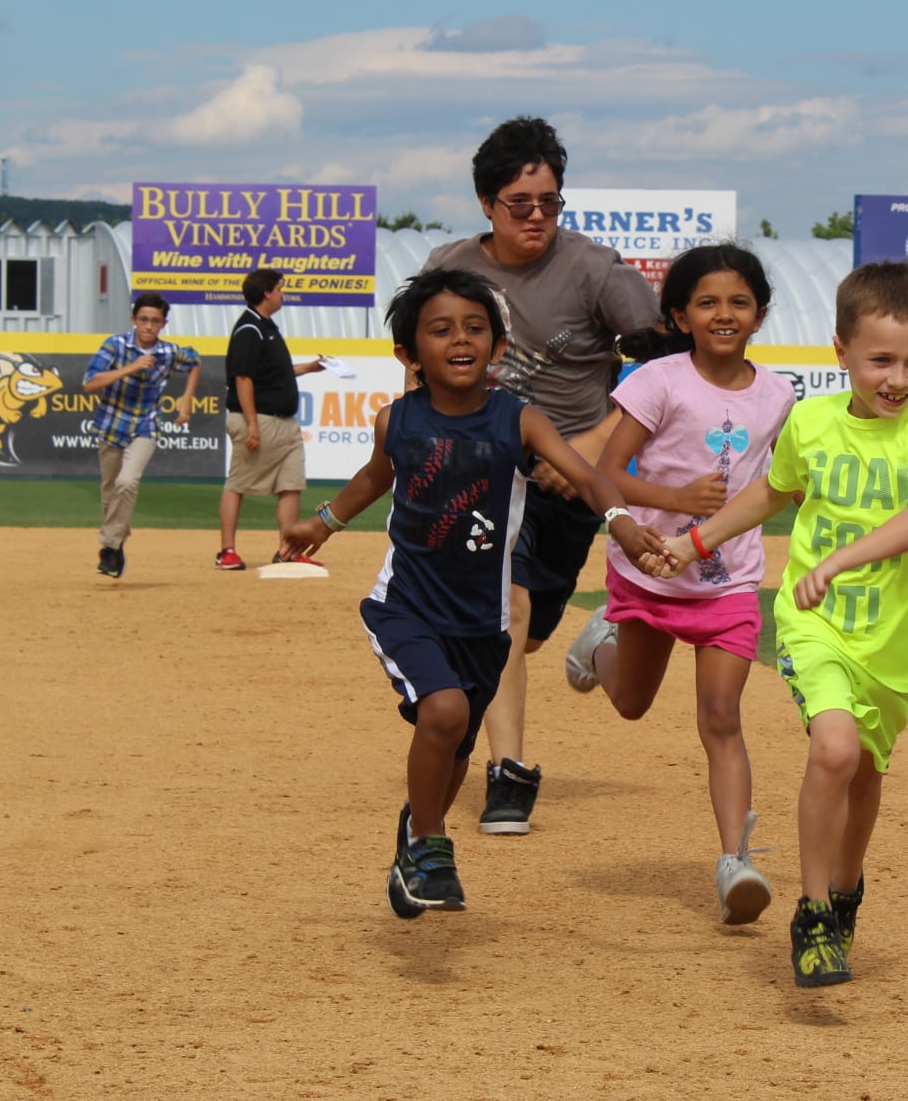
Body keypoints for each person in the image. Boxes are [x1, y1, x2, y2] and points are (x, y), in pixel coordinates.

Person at [281, 267, 668, 918]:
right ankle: (431, 844)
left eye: (474, 328)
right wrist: (324, 522)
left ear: (497, 346)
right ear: (409, 354)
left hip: (483, 625)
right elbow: (374, 478)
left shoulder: (518, 422)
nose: (460, 339)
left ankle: (413, 841)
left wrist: (621, 524)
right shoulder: (396, 421)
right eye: (440, 330)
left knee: (455, 748)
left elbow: (592, 476)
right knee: (445, 712)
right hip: (405, 607)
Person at [655, 261, 908, 988]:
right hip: (814, 622)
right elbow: (772, 492)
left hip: (895, 641)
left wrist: (847, 557)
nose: (899, 378)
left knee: (864, 773)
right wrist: (694, 541)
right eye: (880, 359)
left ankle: (848, 887)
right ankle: (815, 913)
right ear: (841, 351)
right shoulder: (815, 420)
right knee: (833, 749)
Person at [420, 115, 660, 835]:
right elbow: (420, 364)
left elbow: (661, 365)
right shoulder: (449, 267)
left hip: (569, 482)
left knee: (524, 631)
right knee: (507, 610)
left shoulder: (594, 269)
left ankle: (582, 643)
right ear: (487, 203)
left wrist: (584, 446)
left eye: (549, 201)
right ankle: (509, 773)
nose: (536, 216)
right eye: (519, 203)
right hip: (485, 472)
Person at [561, 243, 797, 925]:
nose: (724, 314)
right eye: (708, 302)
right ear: (680, 314)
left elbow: (774, 484)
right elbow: (606, 472)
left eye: (739, 302)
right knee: (631, 702)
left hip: (728, 584)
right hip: (650, 573)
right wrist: (673, 496)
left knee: (722, 718)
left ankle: (735, 860)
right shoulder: (657, 382)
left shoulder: (778, 394)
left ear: (758, 314)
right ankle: (598, 645)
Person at [218, 267, 329, 570]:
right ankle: (226, 550)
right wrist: (252, 425)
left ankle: (287, 551)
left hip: (285, 423)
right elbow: (243, 379)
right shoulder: (249, 330)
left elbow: (272, 373)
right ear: (266, 293)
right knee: (237, 483)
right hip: (259, 420)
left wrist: (308, 367)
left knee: (291, 485)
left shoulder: (266, 326)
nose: (283, 293)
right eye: (280, 288)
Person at [83, 292, 200, 579]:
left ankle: (109, 548)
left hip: (146, 424)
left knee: (127, 481)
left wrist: (186, 397)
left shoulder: (168, 352)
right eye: (144, 320)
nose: (149, 326)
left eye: (155, 321)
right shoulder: (115, 345)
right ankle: (118, 540)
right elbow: (90, 383)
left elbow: (194, 360)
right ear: (133, 320)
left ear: (163, 324)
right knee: (110, 491)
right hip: (111, 423)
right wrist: (131, 367)